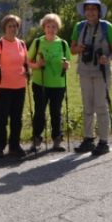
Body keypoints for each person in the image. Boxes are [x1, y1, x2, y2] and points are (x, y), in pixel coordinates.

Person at [70, 0, 112, 156]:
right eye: (88, 9)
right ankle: (88, 139)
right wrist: (79, 48)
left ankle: (103, 142)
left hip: (102, 72)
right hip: (84, 71)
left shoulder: (107, 27)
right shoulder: (79, 27)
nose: (90, 12)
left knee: (101, 106)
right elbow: (72, 50)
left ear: (99, 11)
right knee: (87, 107)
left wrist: (107, 58)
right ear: (84, 11)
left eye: (94, 9)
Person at [28, 13, 71, 152]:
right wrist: (37, 65)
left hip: (58, 84)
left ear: (57, 28)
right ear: (44, 27)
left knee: (56, 112)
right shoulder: (37, 42)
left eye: (54, 26)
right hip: (40, 83)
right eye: (48, 26)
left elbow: (68, 63)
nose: (51, 29)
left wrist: (66, 66)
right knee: (39, 112)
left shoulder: (63, 44)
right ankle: (36, 140)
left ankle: (57, 140)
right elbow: (28, 62)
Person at [0, 15, 29, 159]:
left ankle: (14, 146)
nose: (12, 28)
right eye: (9, 26)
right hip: (2, 86)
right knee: (1, 118)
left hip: (20, 86)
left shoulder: (22, 44)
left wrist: (28, 71)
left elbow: (25, 63)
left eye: (15, 26)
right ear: (4, 28)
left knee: (17, 118)